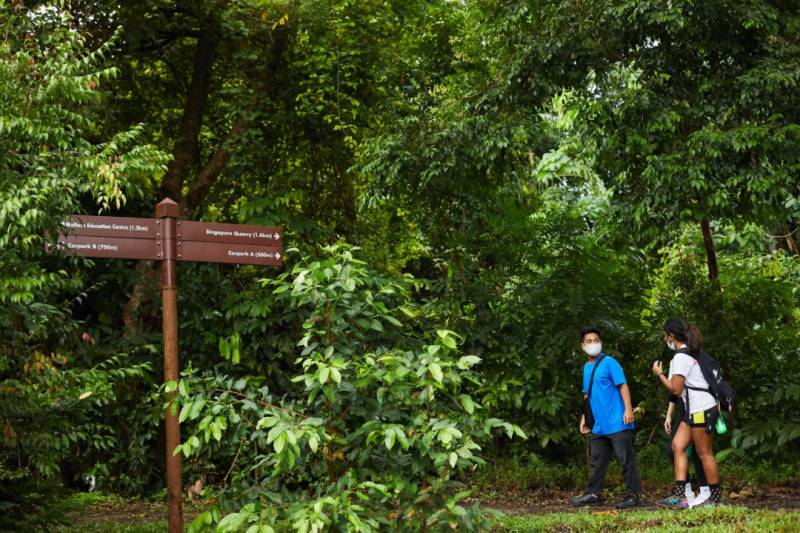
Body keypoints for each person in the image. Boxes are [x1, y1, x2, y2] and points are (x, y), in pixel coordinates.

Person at [652, 318, 722, 509]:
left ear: (671, 336)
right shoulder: (689, 354)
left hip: (702, 409)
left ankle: (715, 499)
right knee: (677, 446)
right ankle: (681, 496)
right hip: (692, 410)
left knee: (704, 452)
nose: (664, 339)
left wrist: (660, 374)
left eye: (664, 336)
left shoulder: (681, 358)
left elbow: (676, 389)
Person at [571, 327, 641, 509]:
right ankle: (593, 494)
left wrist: (628, 410)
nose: (593, 344)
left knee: (626, 459)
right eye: (589, 341)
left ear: (601, 342)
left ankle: (633, 495)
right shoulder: (586, 367)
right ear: (582, 346)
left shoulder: (609, 362)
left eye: (596, 340)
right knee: (597, 461)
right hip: (598, 424)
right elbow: (587, 395)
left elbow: (623, 386)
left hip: (617, 421)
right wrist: (584, 418)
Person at [665, 394, 710, 506]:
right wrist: (668, 415)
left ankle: (706, 494)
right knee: (673, 451)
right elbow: (673, 394)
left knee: (698, 452)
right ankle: (687, 494)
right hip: (683, 414)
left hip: (700, 410)